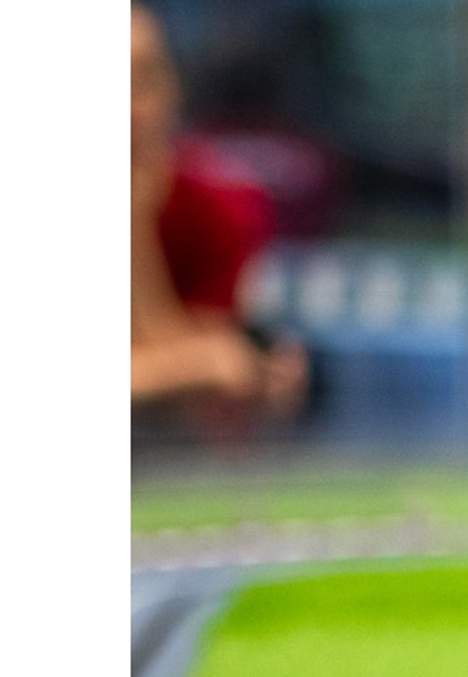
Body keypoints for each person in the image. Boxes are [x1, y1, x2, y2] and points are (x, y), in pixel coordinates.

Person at [131, 3, 305, 424]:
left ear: (172, 88)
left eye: (141, 81)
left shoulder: (217, 209)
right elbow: (204, 362)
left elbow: (210, 376)